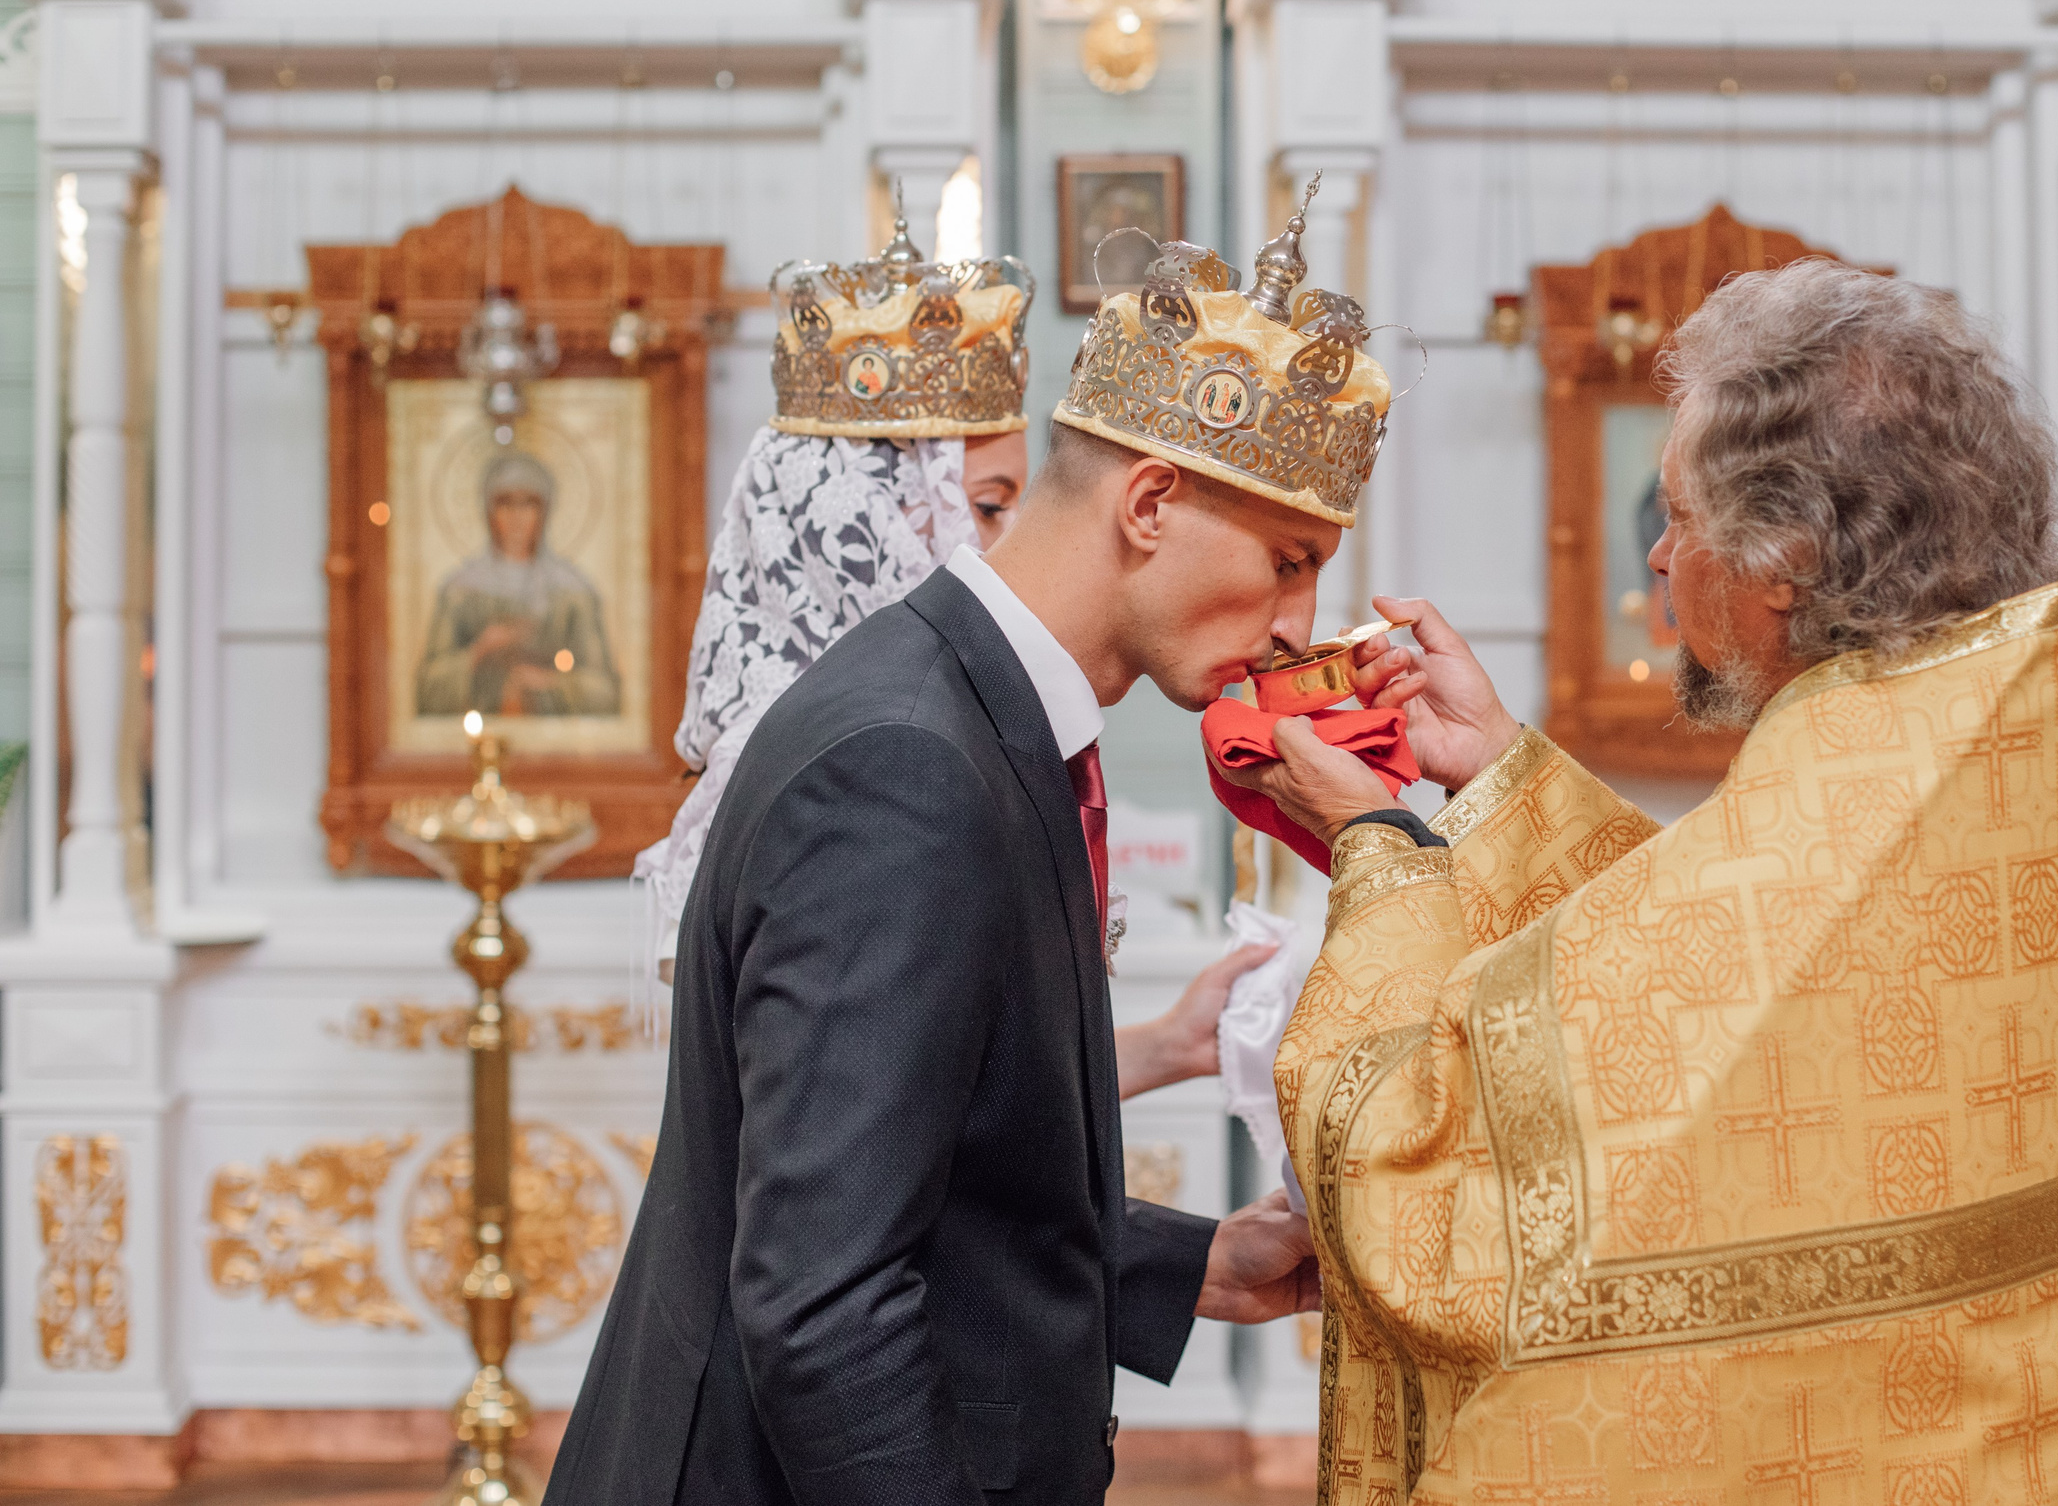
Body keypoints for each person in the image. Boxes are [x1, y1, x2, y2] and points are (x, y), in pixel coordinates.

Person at [1224, 259, 2058, 1504]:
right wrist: (1502, 782)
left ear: (1781, 556)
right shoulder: (2011, 789)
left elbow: (1424, 1187)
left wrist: (1380, 845)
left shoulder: (1863, 812)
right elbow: (1735, 978)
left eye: (1679, 517)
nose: (1662, 554)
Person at [550, 191, 1386, 1505]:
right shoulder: (909, 767)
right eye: (1289, 559)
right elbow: (824, 1301)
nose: (1299, 622)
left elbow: (935, 1179)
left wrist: (1189, 1263)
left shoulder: (972, 711)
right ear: (1153, 500)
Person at [632, 205, 1270, 1091]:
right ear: (856, 517)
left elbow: (930, 1093)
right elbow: (841, 1178)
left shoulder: (925, 728)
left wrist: (1165, 1046)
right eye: (988, 504)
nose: (1012, 547)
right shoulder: (873, 762)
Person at [415, 449, 621, 717]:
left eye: (528, 504)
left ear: (544, 512)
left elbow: (605, 693)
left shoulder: (573, 593)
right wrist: (480, 650)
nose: (516, 516)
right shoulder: (460, 592)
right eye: (506, 503)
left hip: (555, 744)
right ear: (489, 511)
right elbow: (427, 690)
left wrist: (552, 683)